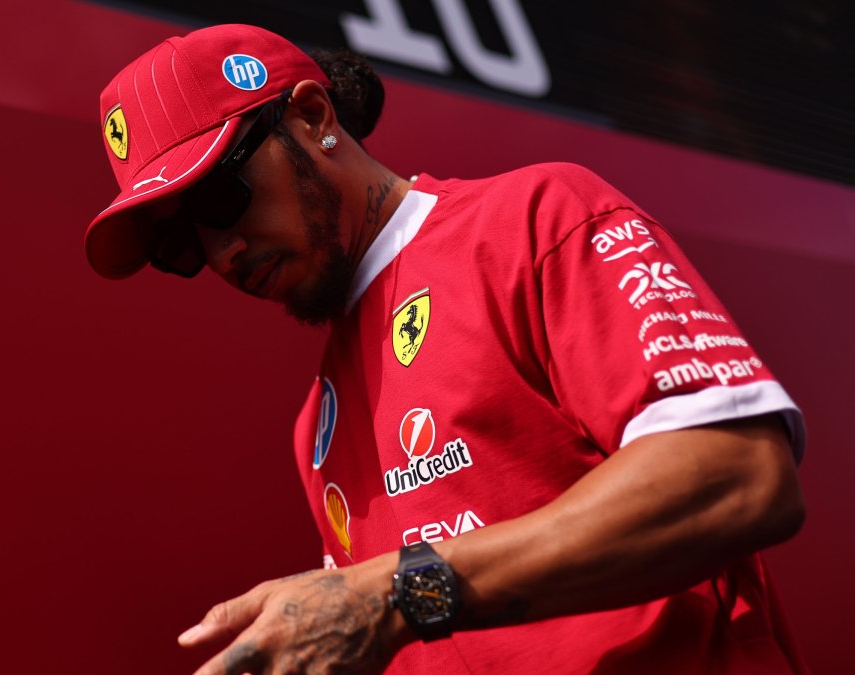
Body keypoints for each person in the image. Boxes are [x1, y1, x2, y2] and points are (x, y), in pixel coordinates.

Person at [83, 23, 808, 675]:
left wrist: (395, 592)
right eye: (179, 244)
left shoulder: (534, 221)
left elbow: (738, 473)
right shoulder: (315, 429)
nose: (222, 251)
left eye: (219, 197)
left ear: (311, 117)